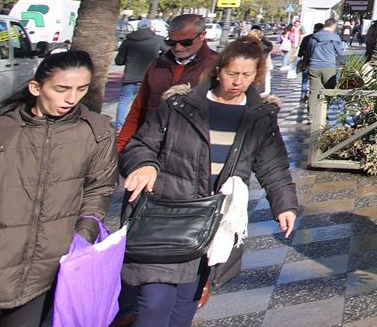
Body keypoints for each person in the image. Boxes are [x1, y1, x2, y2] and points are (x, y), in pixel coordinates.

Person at [121, 39, 299, 327]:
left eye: (246, 75)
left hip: (212, 222)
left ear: (257, 76)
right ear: (218, 70)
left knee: (183, 307)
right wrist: (144, 165)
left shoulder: (260, 117)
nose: (238, 82)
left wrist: (285, 205)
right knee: (154, 306)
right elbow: (140, 145)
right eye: (232, 73)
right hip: (165, 215)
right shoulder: (179, 105)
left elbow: (273, 166)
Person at [0, 51, 117, 327]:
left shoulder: (96, 132)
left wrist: (81, 240)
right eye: (62, 89)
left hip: (43, 280)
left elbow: (98, 190)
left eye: (81, 89)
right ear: (36, 87)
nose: (72, 99)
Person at [117, 14, 219, 151]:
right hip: (149, 146)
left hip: (191, 152)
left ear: (202, 35)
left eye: (185, 42)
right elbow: (138, 109)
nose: (177, 48)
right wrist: (120, 148)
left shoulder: (217, 66)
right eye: (171, 42)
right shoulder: (156, 65)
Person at [115, 18, 167, 129]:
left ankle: (120, 125)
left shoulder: (128, 41)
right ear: (151, 27)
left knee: (124, 100)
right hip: (151, 75)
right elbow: (169, 53)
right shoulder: (158, 40)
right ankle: (145, 124)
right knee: (149, 99)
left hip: (130, 75)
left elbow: (119, 61)